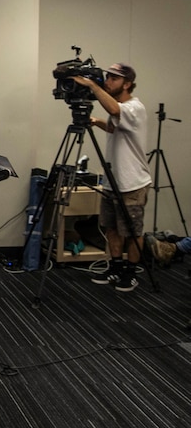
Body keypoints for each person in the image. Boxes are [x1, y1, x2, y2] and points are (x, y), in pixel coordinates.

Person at [73, 63, 151, 293]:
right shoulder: (121, 108)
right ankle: (116, 266)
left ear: (127, 84)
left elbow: (116, 111)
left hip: (133, 183)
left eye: (113, 78)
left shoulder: (135, 107)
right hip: (112, 180)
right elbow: (115, 126)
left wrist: (91, 85)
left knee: (133, 232)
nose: (107, 81)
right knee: (111, 229)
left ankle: (130, 271)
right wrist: (96, 122)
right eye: (107, 77)